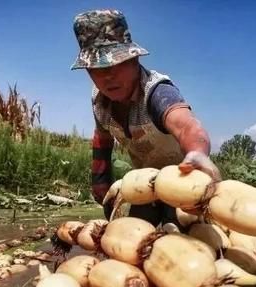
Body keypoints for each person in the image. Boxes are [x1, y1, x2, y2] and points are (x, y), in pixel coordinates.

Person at [70, 9, 220, 226]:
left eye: (117, 64)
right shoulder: (99, 102)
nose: (108, 76)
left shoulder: (156, 92)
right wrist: (100, 183)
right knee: (135, 233)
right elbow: (102, 140)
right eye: (97, 68)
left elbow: (187, 126)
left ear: (135, 59)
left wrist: (197, 153)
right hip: (145, 184)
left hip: (184, 181)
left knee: (184, 233)